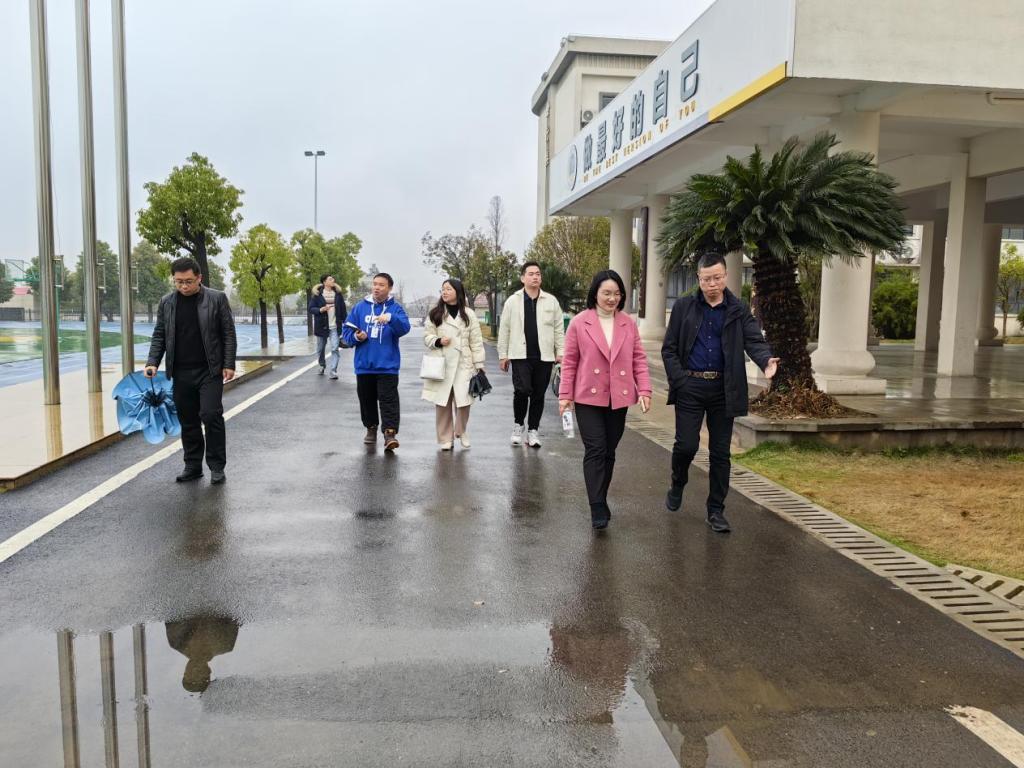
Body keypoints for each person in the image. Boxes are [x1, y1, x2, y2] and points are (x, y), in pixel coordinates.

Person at [661, 252, 779, 533]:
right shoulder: (684, 307)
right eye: (706, 279)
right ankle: (678, 482)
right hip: (690, 386)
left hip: (723, 389)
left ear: (726, 276)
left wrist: (766, 361)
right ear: (698, 279)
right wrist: (681, 381)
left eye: (717, 278)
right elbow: (669, 349)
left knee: (720, 453)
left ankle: (716, 510)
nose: (712, 284)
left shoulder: (738, 309)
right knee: (686, 446)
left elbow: (754, 340)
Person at [558, 270, 651, 530]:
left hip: (618, 397)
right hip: (587, 396)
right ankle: (596, 504)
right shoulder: (580, 323)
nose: (612, 298)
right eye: (606, 293)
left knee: (609, 450)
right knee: (596, 448)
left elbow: (638, 359)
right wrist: (565, 395)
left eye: (617, 294)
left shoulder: (628, 323)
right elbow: (570, 361)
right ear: (595, 293)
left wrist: (644, 390)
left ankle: (601, 495)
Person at [144, 256, 236, 485]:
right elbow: (160, 334)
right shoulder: (167, 302)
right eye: (178, 282)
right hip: (181, 371)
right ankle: (193, 466)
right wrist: (152, 361)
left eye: (188, 281)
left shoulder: (216, 299)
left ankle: (217, 466)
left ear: (199, 278)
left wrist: (228, 363)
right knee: (188, 420)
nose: (183, 286)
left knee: (211, 414)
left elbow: (228, 333)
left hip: (209, 370)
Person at [497, 261, 565, 447]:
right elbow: (504, 329)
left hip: (544, 356)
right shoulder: (513, 301)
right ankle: (518, 425)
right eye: (531, 274)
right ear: (522, 278)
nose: (535, 277)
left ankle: (533, 431)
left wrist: (560, 352)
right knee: (522, 390)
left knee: (538, 394)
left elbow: (558, 329)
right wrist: (503, 354)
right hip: (520, 355)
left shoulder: (551, 301)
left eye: (538, 274)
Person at [341, 272, 411, 451]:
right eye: (374, 284)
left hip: (387, 366)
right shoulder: (360, 307)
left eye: (381, 285)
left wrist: (391, 318)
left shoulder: (395, 308)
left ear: (389, 288)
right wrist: (356, 337)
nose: (376, 288)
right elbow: (346, 332)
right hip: (364, 365)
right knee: (367, 400)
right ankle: (370, 428)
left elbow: (404, 328)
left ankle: (390, 434)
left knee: (388, 400)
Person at [421, 278, 486, 451]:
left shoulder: (469, 314)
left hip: (464, 363)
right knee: (442, 403)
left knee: (464, 401)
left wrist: (479, 363)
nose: (445, 292)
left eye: (449, 289)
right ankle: (445, 438)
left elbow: (476, 341)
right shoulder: (435, 313)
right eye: (443, 289)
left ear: (458, 292)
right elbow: (427, 336)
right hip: (442, 363)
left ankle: (461, 431)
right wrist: (438, 340)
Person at [308, 273, 347, 379]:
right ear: (324, 282)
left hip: (335, 327)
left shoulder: (338, 294)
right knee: (320, 349)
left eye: (333, 278)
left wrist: (346, 323)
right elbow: (311, 308)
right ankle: (322, 365)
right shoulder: (317, 295)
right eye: (330, 279)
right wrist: (320, 310)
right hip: (322, 326)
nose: (333, 280)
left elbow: (343, 310)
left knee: (335, 349)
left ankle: (333, 371)